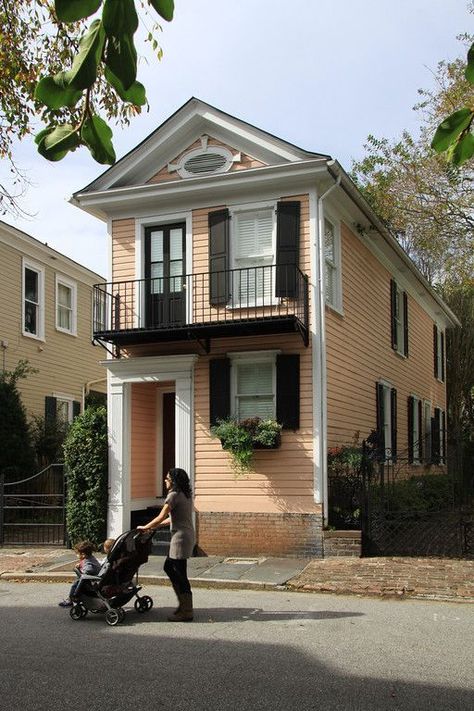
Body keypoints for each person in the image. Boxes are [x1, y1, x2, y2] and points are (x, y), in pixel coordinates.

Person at [137, 467, 195, 621]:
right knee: (170, 567)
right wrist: (155, 526)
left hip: (180, 538)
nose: (165, 481)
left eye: (167, 478)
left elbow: (161, 515)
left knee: (179, 572)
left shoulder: (173, 495)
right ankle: (183, 606)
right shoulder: (185, 494)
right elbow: (172, 518)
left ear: (173, 481)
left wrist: (146, 527)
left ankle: (186, 610)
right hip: (186, 534)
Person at [58, 540, 101, 607]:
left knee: (75, 584)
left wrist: (80, 571)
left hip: (91, 581)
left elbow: (88, 569)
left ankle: (71, 599)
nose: (76, 555)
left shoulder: (88, 562)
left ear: (83, 554)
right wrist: (80, 565)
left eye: (77, 553)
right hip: (92, 579)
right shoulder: (90, 558)